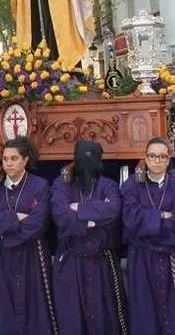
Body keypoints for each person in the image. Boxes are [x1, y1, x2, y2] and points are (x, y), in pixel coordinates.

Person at [0, 136, 57, 335]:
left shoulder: (40, 185)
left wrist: (5, 230)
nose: (8, 163)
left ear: (25, 159)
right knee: (3, 305)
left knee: (34, 305)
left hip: (31, 254)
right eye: (5, 159)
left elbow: (39, 223)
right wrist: (16, 218)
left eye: (14, 158)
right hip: (1, 256)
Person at [51, 140, 126, 335]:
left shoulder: (108, 185)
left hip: (102, 261)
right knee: (73, 319)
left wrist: (78, 208)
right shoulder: (61, 185)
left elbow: (113, 211)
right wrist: (93, 221)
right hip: (72, 260)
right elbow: (61, 215)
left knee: (105, 317)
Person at [120, 137, 175, 335]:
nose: (157, 161)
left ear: (168, 160)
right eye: (152, 156)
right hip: (142, 258)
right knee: (144, 314)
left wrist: (147, 221)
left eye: (162, 156)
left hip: (172, 257)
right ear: (145, 158)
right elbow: (131, 220)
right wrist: (162, 216)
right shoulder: (131, 185)